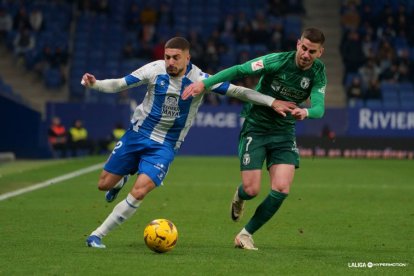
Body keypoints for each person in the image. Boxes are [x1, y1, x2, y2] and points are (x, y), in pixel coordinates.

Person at [81, 37, 296, 249]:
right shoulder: (154, 70)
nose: (170, 62)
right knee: (103, 184)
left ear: (187, 58)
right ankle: (120, 179)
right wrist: (95, 84)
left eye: (176, 58)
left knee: (139, 191)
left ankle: (97, 235)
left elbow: (238, 91)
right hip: (136, 135)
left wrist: (272, 101)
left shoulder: (200, 79)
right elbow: (120, 84)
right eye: (167, 57)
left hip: (164, 146)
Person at [182, 27, 327, 250]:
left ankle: (245, 234)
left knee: (282, 188)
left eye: (312, 51)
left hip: (284, 132)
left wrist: (305, 112)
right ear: (298, 44)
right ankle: (239, 197)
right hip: (257, 127)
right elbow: (240, 70)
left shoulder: (318, 72)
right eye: (304, 48)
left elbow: (319, 107)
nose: (306, 55)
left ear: (320, 53)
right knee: (251, 190)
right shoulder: (276, 61)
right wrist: (204, 84)